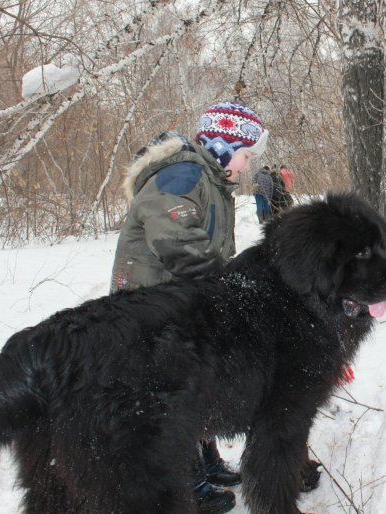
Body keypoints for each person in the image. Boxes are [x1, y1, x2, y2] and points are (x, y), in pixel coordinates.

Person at [109, 101, 269, 514]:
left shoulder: (211, 180)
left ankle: (207, 461)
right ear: (224, 145)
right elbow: (177, 240)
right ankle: (186, 484)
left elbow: (213, 245)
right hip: (152, 306)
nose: (249, 165)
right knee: (172, 395)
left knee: (200, 381)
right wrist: (226, 288)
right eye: (247, 155)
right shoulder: (184, 173)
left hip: (183, 301)